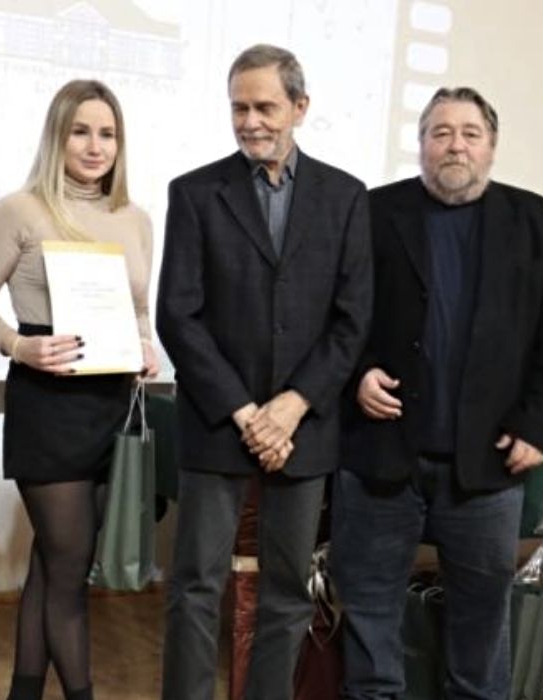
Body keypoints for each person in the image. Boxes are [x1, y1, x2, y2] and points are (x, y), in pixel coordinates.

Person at [329, 86, 543, 699]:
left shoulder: (537, 221)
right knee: (369, 613)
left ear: (492, 146)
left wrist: (536, 426)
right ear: (420, 144)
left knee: (481, 624)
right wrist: (358, 374)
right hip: (382, 454)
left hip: (487, 463)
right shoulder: (372, 211)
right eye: (440, 132)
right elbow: (337, 313)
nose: (455, 145)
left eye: (470, 133)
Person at [156, 44, 373, 700]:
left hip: (304, 426)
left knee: (286, 592)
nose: (250, 122)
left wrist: (292, 405)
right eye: (238, 108)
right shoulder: (194, 192)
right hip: (219, 419)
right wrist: (249, 413)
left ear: (300, 108)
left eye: (265, 107)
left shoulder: (345, 197)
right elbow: (178, 316)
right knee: (196, 585)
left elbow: (352, 319)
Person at [0, 79, 157, 700]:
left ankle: (23, 693)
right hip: (48, 406)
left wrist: (145, 345)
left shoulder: (135, 219)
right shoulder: (18, 211)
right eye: (81, 132)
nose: (95, 146)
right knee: (70, 571)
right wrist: (16, 346)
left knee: (52, 565)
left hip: (111, 404)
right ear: (57, 136)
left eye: (108, 134)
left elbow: (139, 308)